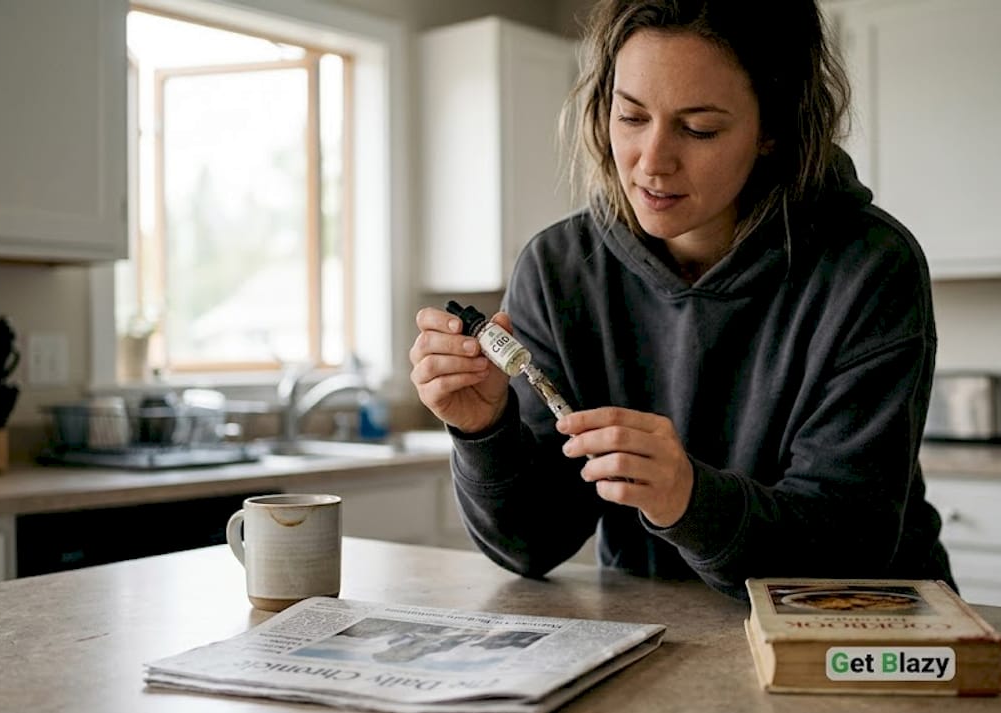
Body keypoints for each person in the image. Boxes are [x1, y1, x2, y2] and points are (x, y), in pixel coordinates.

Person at [408, 0, 954, 601]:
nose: (651, 162)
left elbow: (850, 543)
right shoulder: (557, 269)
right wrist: (485, 431)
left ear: (772, 129)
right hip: (661, 628)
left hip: (860, 631)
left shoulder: (870, 267)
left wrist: (690, 500)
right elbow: (532, 544)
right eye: (631, 116)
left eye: (699, 129)